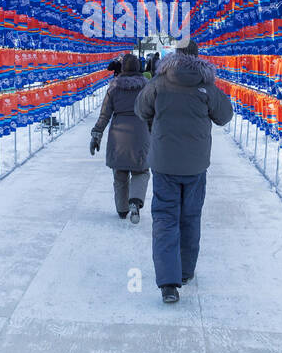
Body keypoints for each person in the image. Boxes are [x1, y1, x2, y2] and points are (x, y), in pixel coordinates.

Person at [135, 37, 232, 304]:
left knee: (165, 218)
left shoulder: (159, 83)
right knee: (190, 217)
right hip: (195, 164)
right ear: (198, 56)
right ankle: (186, 271)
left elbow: (140, 109)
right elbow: (225, 116)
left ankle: (168, 282)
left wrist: (158, 120)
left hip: (164, 162)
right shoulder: (206, 86)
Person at [89, 53, 151, 222]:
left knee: (120, 173)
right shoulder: (147, 87)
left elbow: (104, 115)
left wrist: (96, 134)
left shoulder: (114, 88)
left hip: (118, 134)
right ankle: (135, 201)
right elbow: (153, 113)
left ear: (122, 68)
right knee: (141, 170)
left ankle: (122, 209)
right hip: (140, 132)